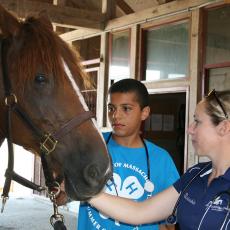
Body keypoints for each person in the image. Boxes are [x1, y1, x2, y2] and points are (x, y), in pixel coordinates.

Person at [89, 89, 230, 230]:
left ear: (223, 127)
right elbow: (139, 212)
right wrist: (84, 192)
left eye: (197, 122)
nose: (189, 129)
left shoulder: (161, 158)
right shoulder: (196, 175)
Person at [77, 78, 179, 230]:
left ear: (144, 113)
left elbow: (170, 222)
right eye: (111, 108)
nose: (116, 115)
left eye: (126, 108)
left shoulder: (161, 159)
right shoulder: (91, 146)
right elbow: (62, 195)